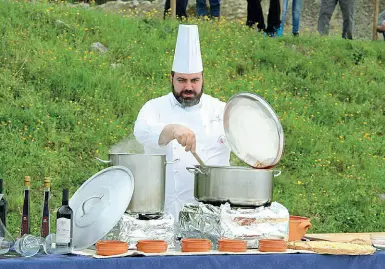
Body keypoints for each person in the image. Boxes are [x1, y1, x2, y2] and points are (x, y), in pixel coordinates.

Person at [134, 25, 231, 220]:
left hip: (213, 216)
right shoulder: (155, 107)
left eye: (194, 80)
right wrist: (172, 129)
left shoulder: (222, 110)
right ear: (171, 78)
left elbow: (248, 143)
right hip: (163, 214)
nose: (188, 87)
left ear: (203, 78)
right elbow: (141, 131)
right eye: (181, 80)